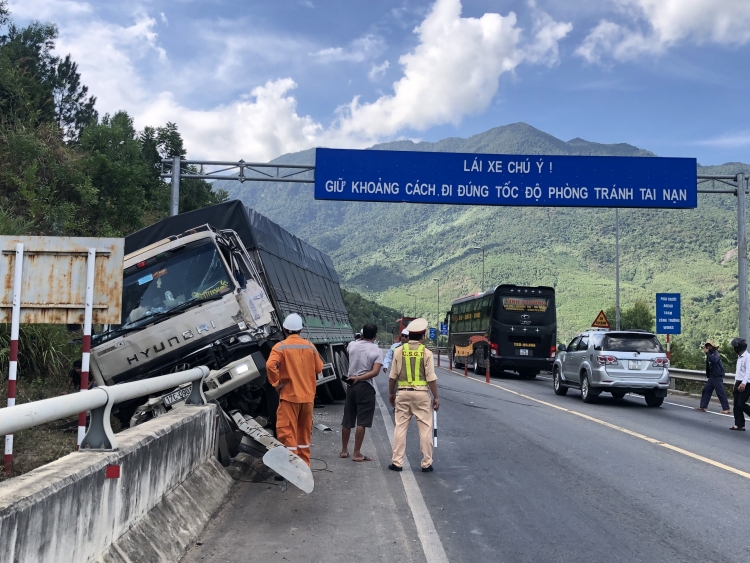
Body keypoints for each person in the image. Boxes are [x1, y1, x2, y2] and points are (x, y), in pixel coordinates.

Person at [266, 313, 324, 466]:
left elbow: (270, 365)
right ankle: (304, 465)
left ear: (284, 329)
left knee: (287, 432)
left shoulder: (280, 347)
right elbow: (319, 368)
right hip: (308, 398)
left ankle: (292, 466)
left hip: (290, 397)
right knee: (304, 433)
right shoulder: (310, 346)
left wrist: (276, 383)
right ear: (301, 330)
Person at [387, 318, 440, 473]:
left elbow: (392, 377)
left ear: (409, 335)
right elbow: (431, 378)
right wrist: (436, 397)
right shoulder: (427, 353)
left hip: (402, 393)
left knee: (400, 428)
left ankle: (397, 462)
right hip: (422, 395)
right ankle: (426, 463)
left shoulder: (398, 351)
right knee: (425, 429)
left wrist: (391, 393)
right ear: (423, 336)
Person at [340, 323, 383, 462]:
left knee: (348, 419)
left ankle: (344, 450)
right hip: (365, 386)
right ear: (375, 336)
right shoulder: (377, 351)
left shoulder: (352, 345)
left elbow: (349, 350)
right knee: (362, 421)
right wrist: (359, 378)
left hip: (350, 385)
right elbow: (375, 372)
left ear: (362, 334)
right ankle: (356, 453)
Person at [694, 340, 731, 414]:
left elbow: (713, 360)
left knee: (720, 392)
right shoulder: (709, 354)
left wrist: (707, 353)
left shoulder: (716, 353)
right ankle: (703, 406)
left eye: (709, 346)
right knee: (706, 390)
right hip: (712, 376)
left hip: (717, 376)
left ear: (713, 347)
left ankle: (726, 408)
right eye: (707, 346)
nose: (708, 347)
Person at [730, 337, 750, 431]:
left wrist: (743, 383)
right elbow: (738, 372)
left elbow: (748, 372)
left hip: (745, 383)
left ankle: (740, 424)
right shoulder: (739, 357)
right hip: (738, 382)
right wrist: (735, 383)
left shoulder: (747, 357)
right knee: (736, 405)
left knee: (741, 403)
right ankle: (739, 424)